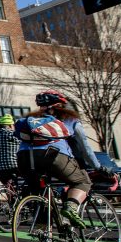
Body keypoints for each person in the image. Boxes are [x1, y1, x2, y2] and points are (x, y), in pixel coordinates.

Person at [16, 91, 101, 228]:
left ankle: (46, 241)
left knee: (42, 199)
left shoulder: (31, 120)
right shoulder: (69, 119)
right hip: (53, 155)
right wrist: (97, 166)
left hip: (24, 159)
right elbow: (84, 147)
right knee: (82, 181)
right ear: (60, 105)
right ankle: (71, 208)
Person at [0, 115, 20, 186]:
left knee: (8, 184)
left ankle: (10, 194)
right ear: (10, 125)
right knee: (27, 178)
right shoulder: (13, 135)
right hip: (12, 166)